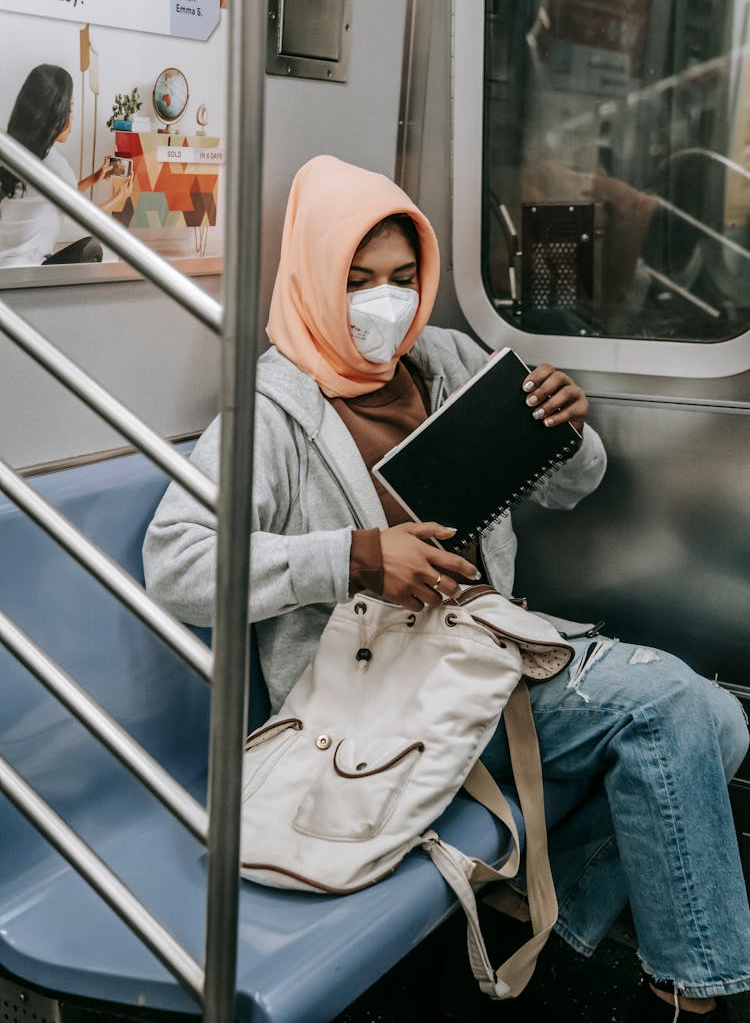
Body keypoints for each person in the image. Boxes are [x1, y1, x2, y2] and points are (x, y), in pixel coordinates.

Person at [142, 154, 749, 1019]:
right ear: (315, 278)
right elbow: (177, 560)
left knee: (719, 720)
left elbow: (575, 485)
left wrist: (571, 431)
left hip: (483, 652)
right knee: (671, 709)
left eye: (401, 277)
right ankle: (690, 995)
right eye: (356, 281)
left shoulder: (446, 358)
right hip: (379, 704)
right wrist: (355, 557)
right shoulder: (270, 412)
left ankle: (551, 905)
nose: (384, 302)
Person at [0, 64, 134, 269]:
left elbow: (55, 196)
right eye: (70, 109)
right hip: (25, 274)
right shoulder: (55, 165)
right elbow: (87, 221)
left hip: (6, 267)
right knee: (92, 247)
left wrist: (94, 178)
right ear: (55, 113)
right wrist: (119, 199)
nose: (72, 119)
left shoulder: (17, 153)